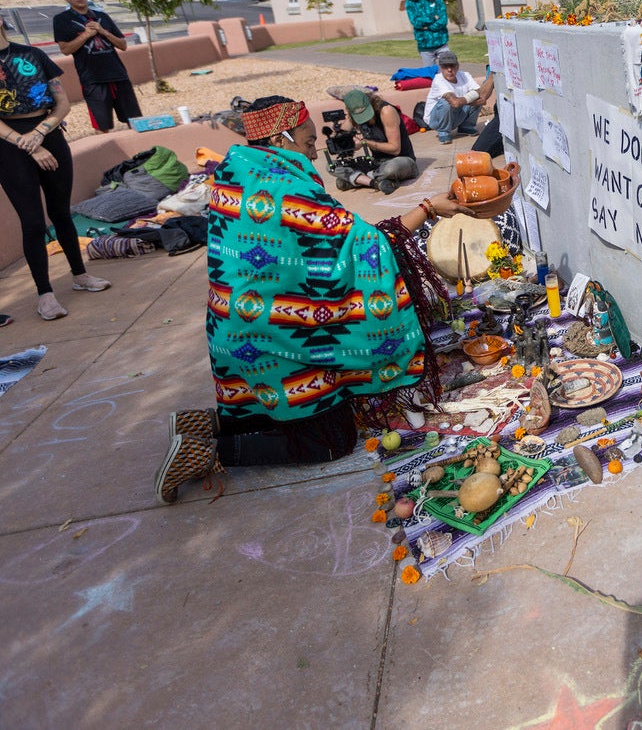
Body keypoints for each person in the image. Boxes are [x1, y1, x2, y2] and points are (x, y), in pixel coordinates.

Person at [156, 95, 475, 504]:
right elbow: (364, 247)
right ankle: (209, 453)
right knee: (331, 440)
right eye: (308, 143)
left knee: (274, 405)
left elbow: (318, 252)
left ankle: (206, 423)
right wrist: (428, 208)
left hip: (239, 333)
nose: (314, 152)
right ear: (280, 136)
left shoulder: (238, 172)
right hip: (280, 339)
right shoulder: (284, 186)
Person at [0, 17, 111, 322]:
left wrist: (40, 133)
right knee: (33, 222)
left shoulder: (32, 55)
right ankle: (45, 293)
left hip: (48, 132)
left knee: (62, 212)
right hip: (10, 146)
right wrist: (29, 144)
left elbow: (62, 102)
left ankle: (80, 274)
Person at [51, 0, 142, 134]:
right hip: (92, 78)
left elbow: (123, 45)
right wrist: (86, 35)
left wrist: (103, 31)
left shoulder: (102, 17)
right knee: (102, 124)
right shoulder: (61, 20)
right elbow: (65, 49)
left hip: (117, 74)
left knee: (134, 119)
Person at [331, 88, 419, 194]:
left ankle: (360, 179)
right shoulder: (353, 115)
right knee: (331, 166)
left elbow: (395, 149)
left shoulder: (386, 111)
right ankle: (376, 182)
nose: (364, 119)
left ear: (370, 103)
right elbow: (341, 135)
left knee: (391, 169)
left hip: (400, 161)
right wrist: (342, 139)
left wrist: (366, 142)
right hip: (376, 163)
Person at [425, 50, 486, 144]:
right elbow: (454, 102)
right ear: (441, 68)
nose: (449, 69)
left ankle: (466, 127)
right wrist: (471, 98)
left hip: (456, 113)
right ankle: (443, 132)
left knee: (475, 97)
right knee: (446, 102)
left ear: (457, 66)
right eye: (445, 66)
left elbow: (480, 92)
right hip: (436, 120)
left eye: (452, 66)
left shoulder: (465, 75)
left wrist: (474, 98)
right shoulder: (438, 80)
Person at [404, 0, 450, 67]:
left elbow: (443, 20)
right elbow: (416, 22)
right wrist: (434, 17)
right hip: (425, 45)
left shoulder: (437, 0)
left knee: (449, 68)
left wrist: (427, 27)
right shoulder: (410, 3)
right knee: (431, 75)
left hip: (441, 42)